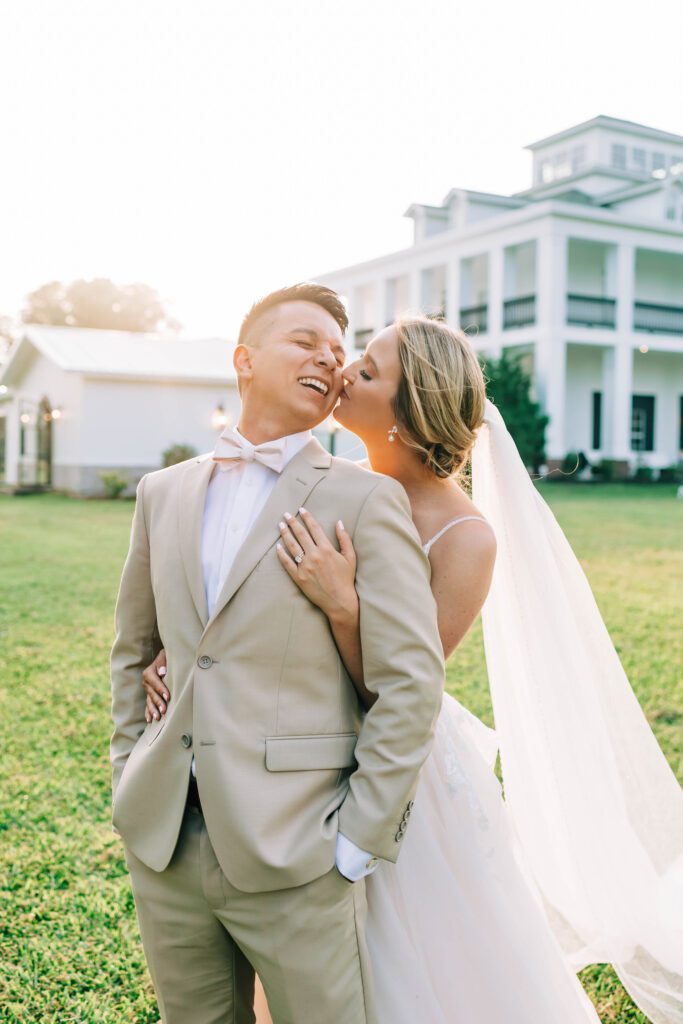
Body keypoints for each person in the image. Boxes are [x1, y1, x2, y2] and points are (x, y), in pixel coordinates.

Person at [145, 312, 683, 1024]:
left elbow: (397, 690)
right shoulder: (323, 487)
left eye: (365, 370)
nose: (341, 374)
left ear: (406, 412)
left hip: (393, 775)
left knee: (407, 968)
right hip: (290, 757)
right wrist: (177, 659)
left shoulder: (463, 536)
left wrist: (342, 604)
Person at [110, 284, 446, 1024]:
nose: (328, 360)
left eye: (337, 351)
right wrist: (127, 768)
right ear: (244, 359)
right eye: (304, 341)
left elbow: (411, 683)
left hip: (300, 852)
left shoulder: (363, 500)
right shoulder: (160, 493)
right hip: (166, 842)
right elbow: (133, 652)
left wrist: (355, 843)